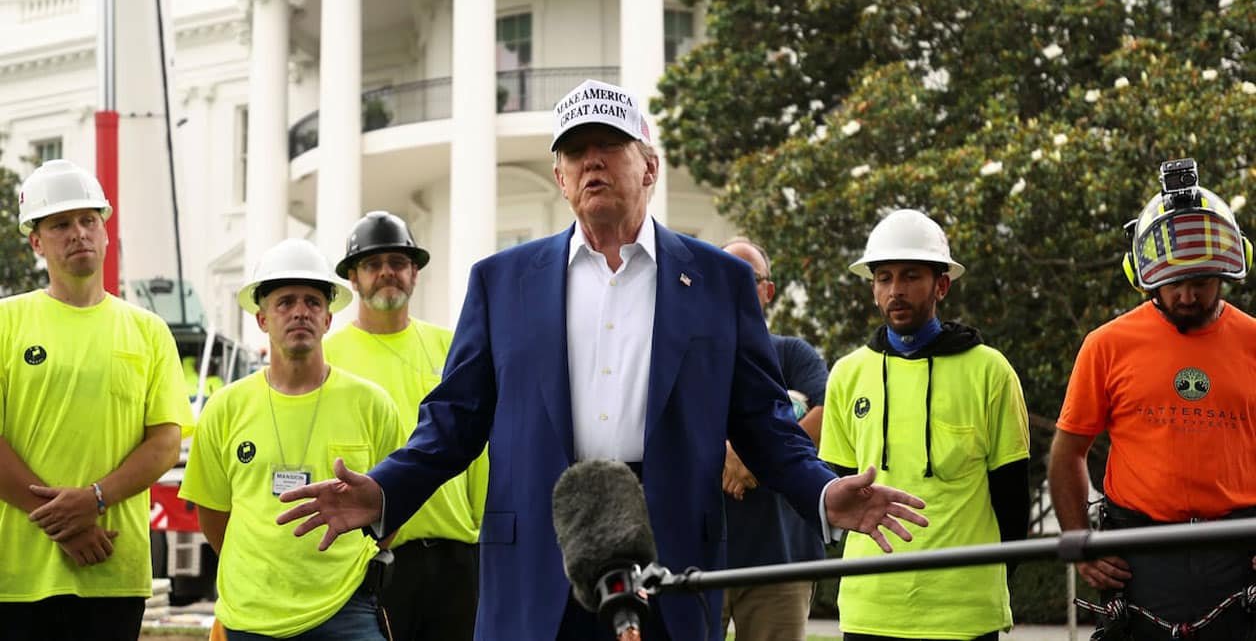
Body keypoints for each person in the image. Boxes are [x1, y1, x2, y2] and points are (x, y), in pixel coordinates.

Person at [276, 78, 929, 641]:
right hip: (536, 568)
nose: (592, 162)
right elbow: (453, 421)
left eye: (609, 146)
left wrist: (821, 490)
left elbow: (762, 420)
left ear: (649, 165)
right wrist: (385, 489)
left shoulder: (718, 282)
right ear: (560, 177)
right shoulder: (501, 283)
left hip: (672, 566)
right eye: (574, 152)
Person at [1048, 160, 1256, 641]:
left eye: (1201, 281)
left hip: (1239, 552)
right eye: (1173, 282)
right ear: (1144, 277)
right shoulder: (1107, 345)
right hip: (1139, 556)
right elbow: (1067, 452)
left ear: (1225, 273)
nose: (1187, 295)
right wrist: (1079, 541)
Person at [0, 159, 192, 640]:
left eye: (88, 220)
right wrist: (67, 522)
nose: (78, 233)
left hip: (112, 568)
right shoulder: (6, 323)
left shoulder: (148, 330)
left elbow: (165, 442)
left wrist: (96, 499)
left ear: (105, 232)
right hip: (17, 575)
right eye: (60, 224)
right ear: (36, 242)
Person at [820, 209, 1030, 641]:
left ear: (942, 286)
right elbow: (839, 489)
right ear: (873, 289)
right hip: (868, 606)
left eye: (911, 276)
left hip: (964, 610)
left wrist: (987, 581)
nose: (895, 290)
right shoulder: (846, 374)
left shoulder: (991, 371)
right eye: (884, 278)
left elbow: (1013, 501)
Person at [179, 238, 402, 640]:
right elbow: (213, 515)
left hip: (346, 610)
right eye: (285, 303)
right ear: (262, 319)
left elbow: (392, 511)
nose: (300, 312)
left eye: (313, 302)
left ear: (328, 318)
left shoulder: (372, 405)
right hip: (251, 615)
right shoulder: (225, 408)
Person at [325, 210, 487, 641]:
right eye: (372, 264)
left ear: (415, 273)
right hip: (371, 557)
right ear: (353, 278)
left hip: (457, 557)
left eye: (398, 262)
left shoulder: (451, 347)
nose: (386, 273)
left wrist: (480, 530)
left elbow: (480, 445)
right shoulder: (328, 358)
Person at [718, 237, 828, 641]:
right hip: (700, 556)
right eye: (725, 275)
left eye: (748, 277)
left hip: (782, 558)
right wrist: (721, 453)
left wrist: (755, 456)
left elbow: (828, 412)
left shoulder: (793, 355)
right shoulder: (688, 355)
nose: (735, 285)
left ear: (768, 291)